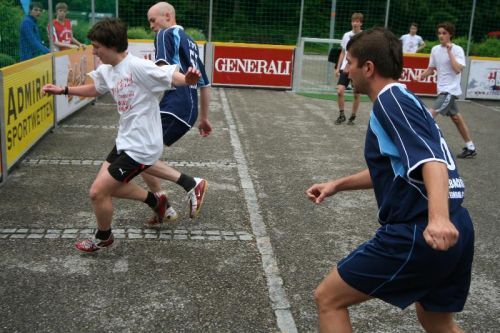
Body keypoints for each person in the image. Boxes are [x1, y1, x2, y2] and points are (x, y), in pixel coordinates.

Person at [306, 27, 474, 333]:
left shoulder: (389, 101)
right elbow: (402, 168)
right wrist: (337, 185)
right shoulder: (404, 97)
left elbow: (431, 160)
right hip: (457, 225)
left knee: (328, 298)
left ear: (368, 68)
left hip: (421, 231)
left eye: (351, 63)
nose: (346, 70)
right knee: (437, 321)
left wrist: (437, 218)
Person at [41, 18, 201, 253]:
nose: (94, 52)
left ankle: (104, 236)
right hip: (125, 141)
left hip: (142, 146)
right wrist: (63, 90)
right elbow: (96, 88)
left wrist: (187, 80)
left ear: (112, 45)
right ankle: (155, 201)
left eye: (97, 47)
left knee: (98, 192)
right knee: (106, 187)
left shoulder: (136, 66)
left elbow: (169, 75)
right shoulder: (107, 70)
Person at [143, 1, 212, 224]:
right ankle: (162, 206)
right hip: (187, 110)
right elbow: (205, 84)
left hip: (175, 105)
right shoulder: (190, 41)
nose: (152, 26)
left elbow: (161, 69)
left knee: (135, 154)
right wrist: (203, 118)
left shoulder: (165, 34)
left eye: (153, 20)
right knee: (142, 155)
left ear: (167, 16)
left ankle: (191, 185)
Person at [418, 22, 477, 159]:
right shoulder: (435, 50)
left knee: (429, 115)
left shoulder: (457, 50)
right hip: (442, 90)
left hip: (450, 91)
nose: (441, 36)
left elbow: (457, 70)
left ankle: (420, 147)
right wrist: (420, 75)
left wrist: (450, 52)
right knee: (456, 118)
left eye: (444, 33)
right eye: (439, 33)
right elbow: (431, 69)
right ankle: (470, 147)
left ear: (450, 34)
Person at [334, 12, 363, 125]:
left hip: (357, 68)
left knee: (356, 93)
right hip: (345, 68)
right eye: (353, 21)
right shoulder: (346, 35)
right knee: (340, 91)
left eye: (357, 21)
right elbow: (342, 52)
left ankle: (353, 116)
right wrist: (338, 67)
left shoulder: (364, 36)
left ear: (361, 23)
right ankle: (342, 115)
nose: (355, 23)